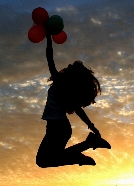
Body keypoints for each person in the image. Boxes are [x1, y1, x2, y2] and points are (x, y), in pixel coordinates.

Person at [36, 34, 111, 168]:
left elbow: (50, 59)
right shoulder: (67, 88)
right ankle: (87, 145)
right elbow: (77, 109)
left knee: (44, 161)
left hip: (58, 127)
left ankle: (86, 147)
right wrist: (91, 125)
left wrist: (48, 38)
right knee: (47, 160)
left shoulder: (60, 84)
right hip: (58, 127)